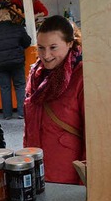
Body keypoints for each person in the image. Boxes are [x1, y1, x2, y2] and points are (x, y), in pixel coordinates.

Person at [24, 15, 84, 184]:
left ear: (70, 43)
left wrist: (85, 182)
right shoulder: (35, 75)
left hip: (68, 177)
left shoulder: (82, 77)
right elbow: (28, 126)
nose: (46, 55)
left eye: (53, 47)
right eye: (41, 48)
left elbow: (93, 138)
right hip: (36, 171)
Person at [0, 7, 32, 120]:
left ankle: (7, 114)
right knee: (20, 86)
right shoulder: (18, 28)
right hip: (17, 62)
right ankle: (22, 113)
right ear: (9, 16)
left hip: (0, 65)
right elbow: (27, 42)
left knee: (5, 88)